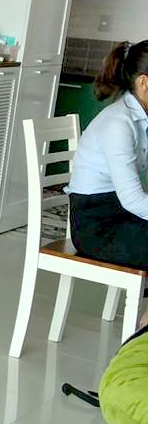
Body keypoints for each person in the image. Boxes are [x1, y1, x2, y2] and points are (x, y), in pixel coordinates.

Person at [67, 40, 148, 269]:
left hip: (123, 213)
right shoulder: (119, 123)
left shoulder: (141, 118)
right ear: (144, 82)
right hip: (97, 225)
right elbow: (132, 199)